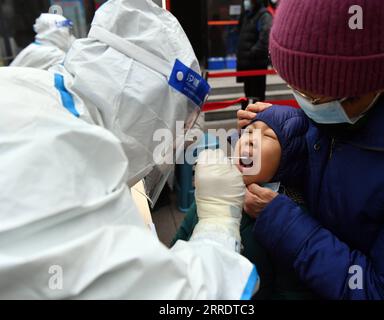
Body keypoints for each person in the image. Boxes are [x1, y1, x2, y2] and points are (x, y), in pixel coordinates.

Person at [0, 0, 258, 299]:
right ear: (145, 106)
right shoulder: (61, 151)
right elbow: (176, 299)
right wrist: (218, 220)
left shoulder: (28, 88)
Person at [237, 0, 384, 299]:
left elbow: (383, 292)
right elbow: (326, 148)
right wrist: (283, 131)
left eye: (320, 100)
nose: (310, 105)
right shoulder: (345, 110)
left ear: (376, 87)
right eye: (298, 90)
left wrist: (285, 224)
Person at [172, 106, 316, 299]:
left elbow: (292, 292)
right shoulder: (217, 192)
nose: (250, 138)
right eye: (248, 131)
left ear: (288, 157)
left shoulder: (292, 218)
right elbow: (179, 241)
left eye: (268, 136)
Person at [10, 13, 75, 70]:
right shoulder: (53, 55)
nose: (71, 36)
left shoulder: (35, 48)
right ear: (57, 32)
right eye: (69, 32)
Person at [237, 0, 272, 103]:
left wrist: (252, 53)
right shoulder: (247, 15)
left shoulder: (264, 15)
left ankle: (259, 117)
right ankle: (248, 115)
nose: (246, 2)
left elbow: (265, 39)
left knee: (258, 96)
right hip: (247, 64)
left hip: (257, 63)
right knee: (248, 94)